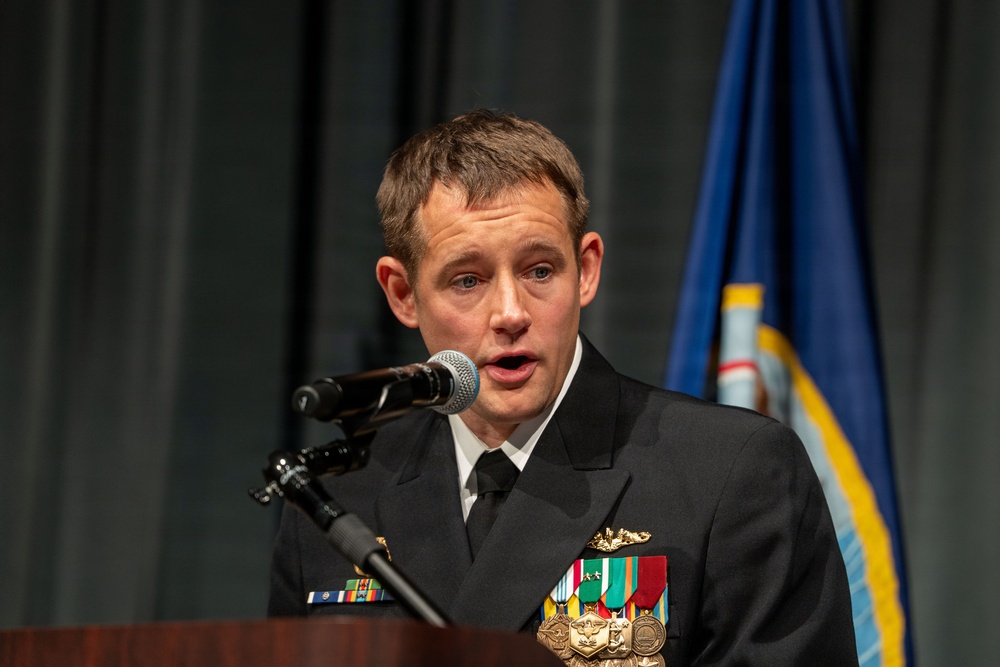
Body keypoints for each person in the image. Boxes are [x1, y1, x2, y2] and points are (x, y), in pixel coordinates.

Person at [268, 109, 859, 666]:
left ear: (587, 269)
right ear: (403, 294)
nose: (510, 313)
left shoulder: (733, 471)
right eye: (467, 280)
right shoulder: (338, 497)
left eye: (540, 271)